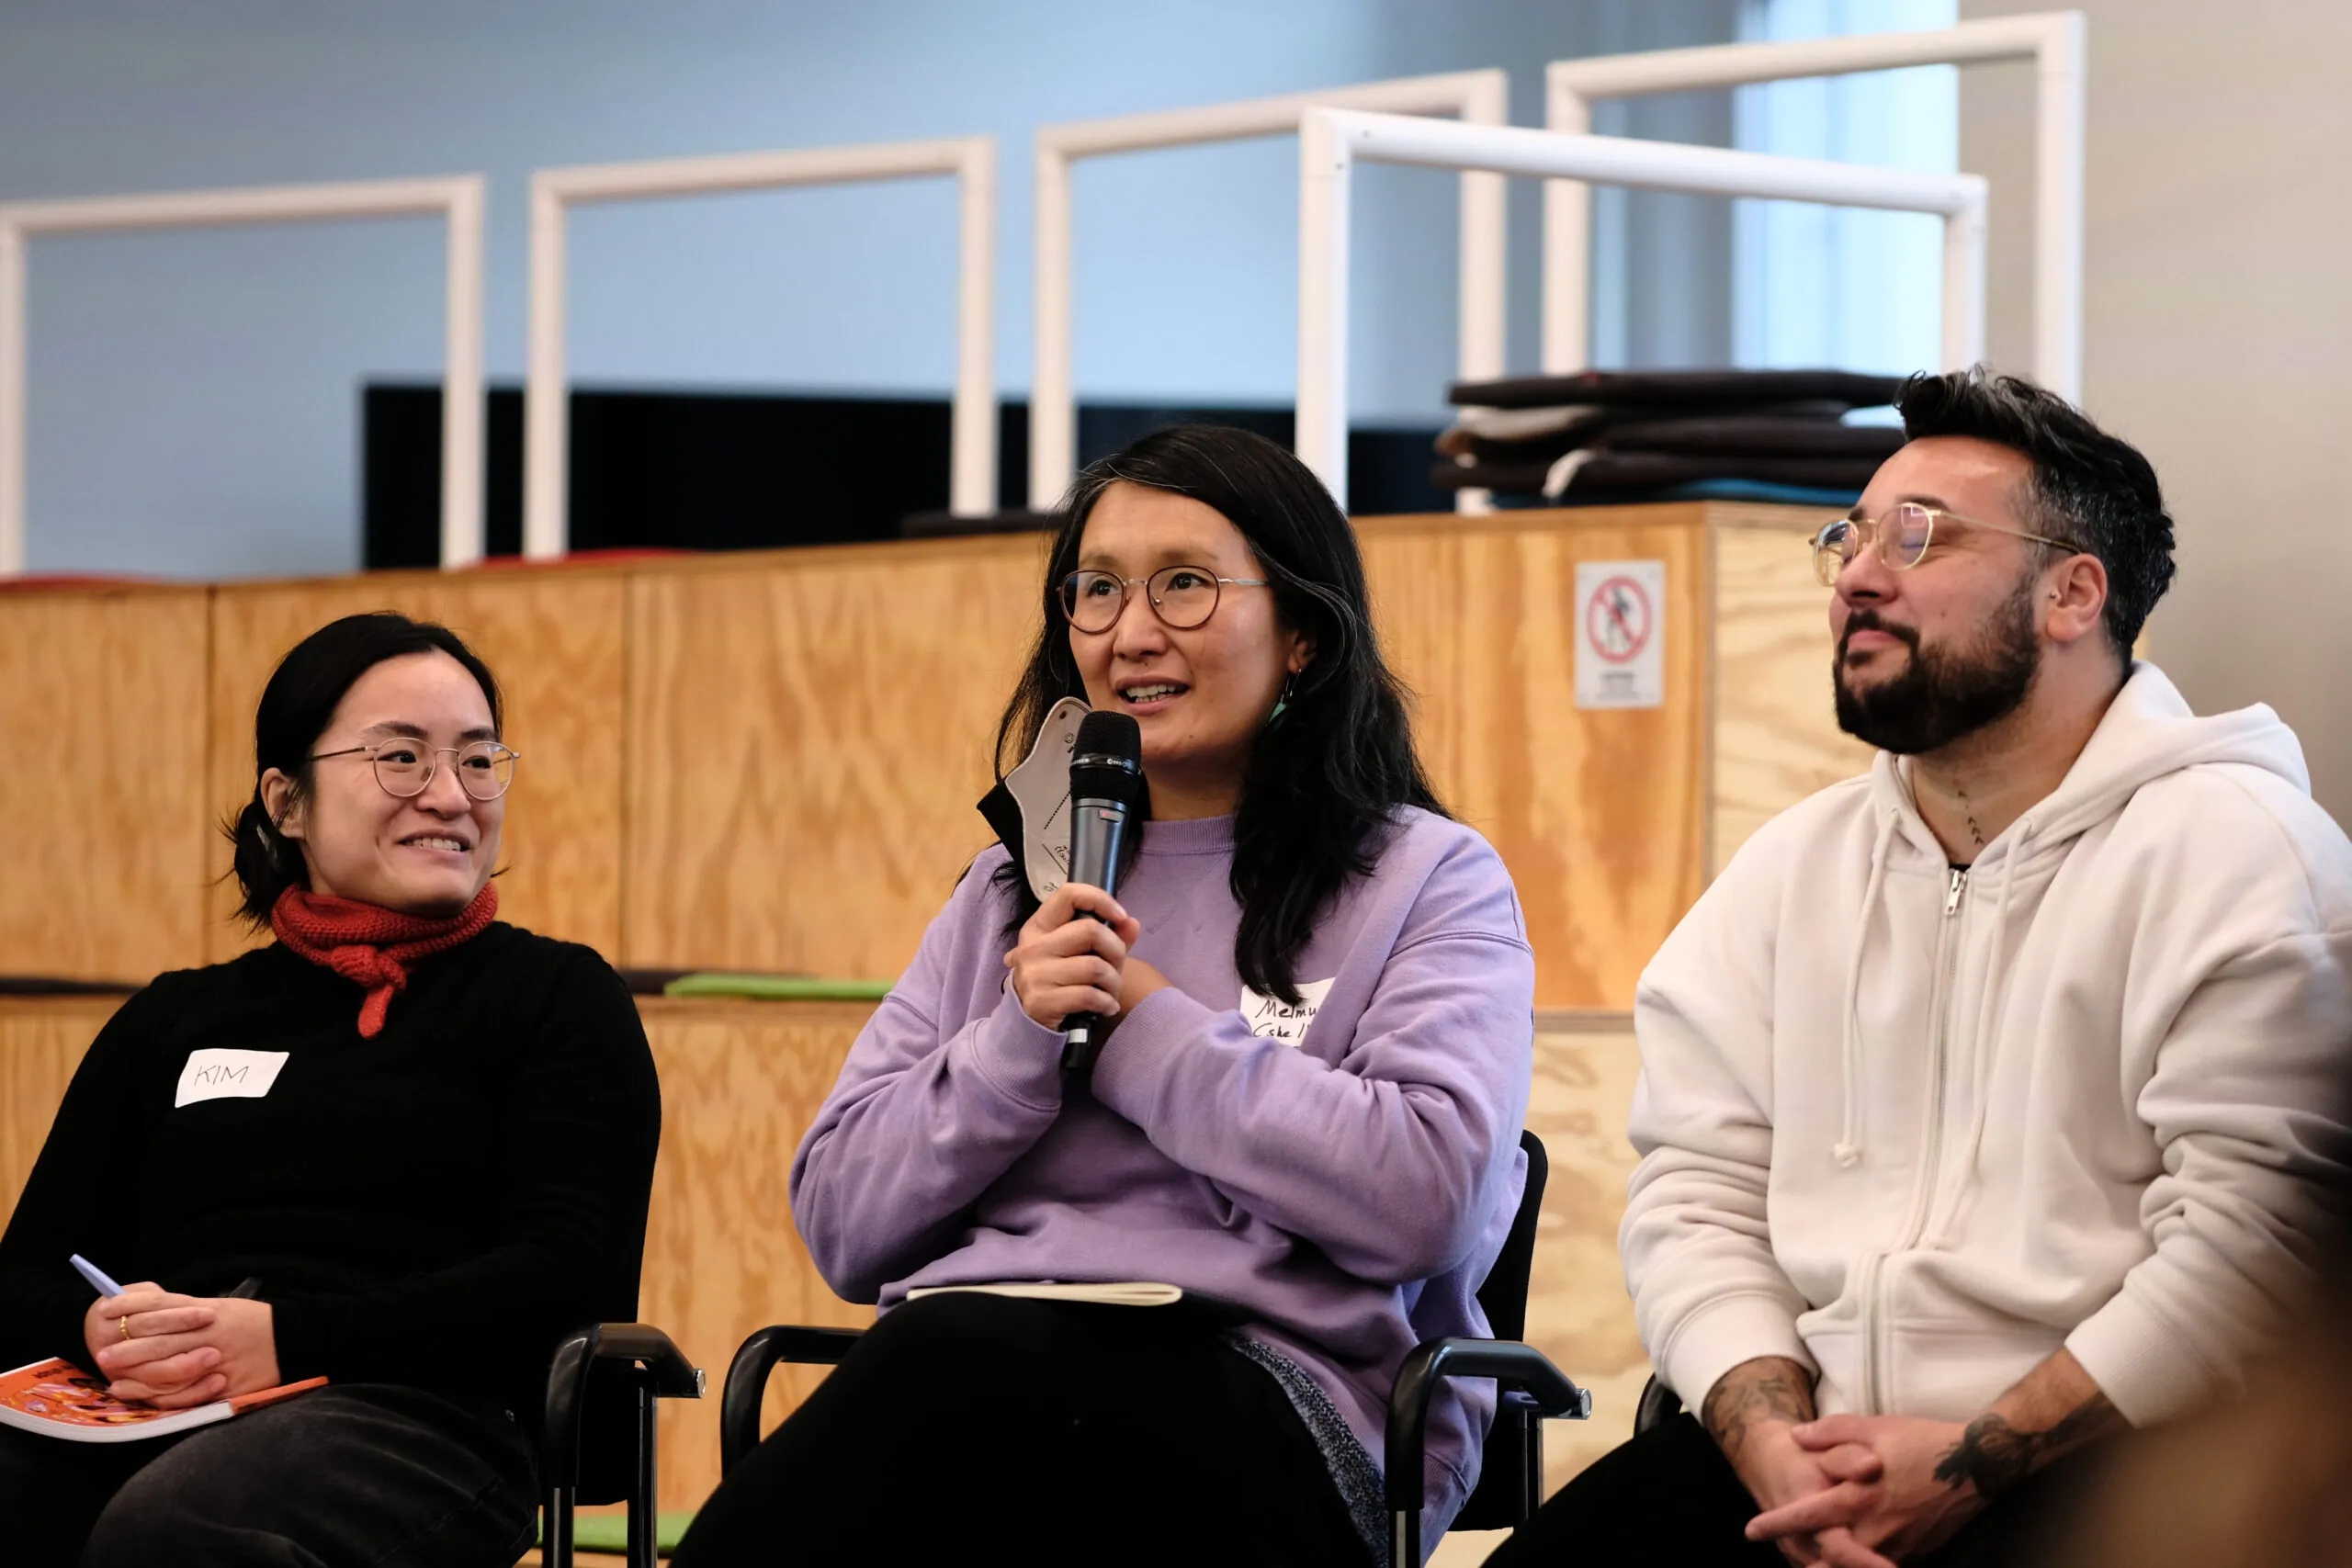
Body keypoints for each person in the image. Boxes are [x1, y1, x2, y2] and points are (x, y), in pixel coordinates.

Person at [1489, 368, 2352, 1568]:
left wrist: (1972, 1455)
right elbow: (1697, 1188)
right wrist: (1774, 1443)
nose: (1857, 569)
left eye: (1920, 534)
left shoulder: (2239, 854)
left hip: (2123, 1464)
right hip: (1806, 1456)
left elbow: (2263, 1235)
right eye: (1848, 534)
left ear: (2072, 592)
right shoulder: (1795, 864)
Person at [673, 425, 1536, 1568]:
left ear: (1304, 639)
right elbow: (840, 1219)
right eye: (1096, 592)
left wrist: (1139, 1019)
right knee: (944, 1377)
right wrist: (1014, 1044)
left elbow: (1426, 1195)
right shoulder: (1005, 890)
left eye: (1184, 585)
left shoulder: (1425, 875)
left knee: (947, 1378)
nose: (1132, 634)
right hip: (967, 1388)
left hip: (1278, 1402)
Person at [0, 612, 661, 1567]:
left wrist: (285, 1340)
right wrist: (98, 1327)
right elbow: (25, 1276)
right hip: (145, 1404)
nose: (449, 795)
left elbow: (563, 1281)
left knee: (180, 1527)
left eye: (477, 762)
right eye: (400, 758)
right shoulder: (175, 1019)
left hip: (420, 1416)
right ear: (287, 801)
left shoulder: (557, 999)